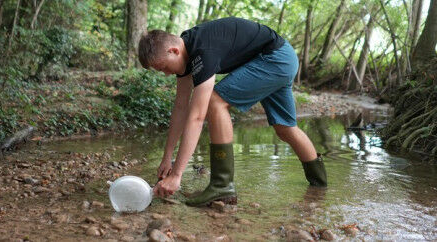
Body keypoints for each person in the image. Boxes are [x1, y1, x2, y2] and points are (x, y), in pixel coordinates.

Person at [138, 17, 327, 207]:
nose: (166, 74)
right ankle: (320, 185)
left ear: (174, 51)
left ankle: (222, 185)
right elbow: (180, 107)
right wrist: (167, 158)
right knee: (286, 128)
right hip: (281, 58)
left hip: (275, 59)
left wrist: (177, 175)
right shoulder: (187, 50)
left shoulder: (204, 51)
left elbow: (196, 117)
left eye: (163, 68)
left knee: (214, 101)